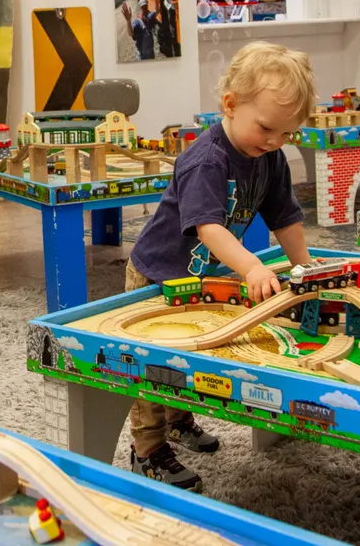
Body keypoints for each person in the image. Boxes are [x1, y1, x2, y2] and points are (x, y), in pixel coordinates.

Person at [125, 41, 315, 490]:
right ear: (230, 105)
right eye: (267, 129)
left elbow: (284, 215)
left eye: (287, 135)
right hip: (158, 273)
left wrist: (305, 266)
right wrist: (252, 267)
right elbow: (209, 228)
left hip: (202, 276)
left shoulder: (269, 158)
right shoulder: (206, 160)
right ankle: (146, 450)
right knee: (153, 363)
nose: (274, 142)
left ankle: (178, 420)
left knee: (188, 350)